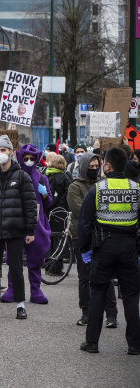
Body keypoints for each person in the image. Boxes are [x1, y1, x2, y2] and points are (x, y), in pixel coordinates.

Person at [78, 147, 140, 355]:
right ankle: (134, 344)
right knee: (131, 296)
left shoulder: (98, 189)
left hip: (103, 247)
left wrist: (84, 249)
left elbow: (85, 223)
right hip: (129, 247)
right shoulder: (136, 189)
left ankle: (92, 342)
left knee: (98, 293)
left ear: (108, 166)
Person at [0, 135, 37, 319]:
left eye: (4, 150)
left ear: (11, 152)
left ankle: (20, 305)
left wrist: (30, 230)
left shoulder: (22, 177)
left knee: (16, 268)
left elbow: (30, 205)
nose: (1, 153)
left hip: (15, 230)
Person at [66, 153, 118, 327]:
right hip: (82, 237)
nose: (94, 169)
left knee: (106, 276)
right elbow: (80, 210)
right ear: (84, 167)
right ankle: (86, 312)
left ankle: (111, 315)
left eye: (97, 166)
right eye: (91, 166)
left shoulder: (103, 184)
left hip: (103, 236)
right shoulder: (75, 187)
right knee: (85, 277)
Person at [0, 144, 52, 305]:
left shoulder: (42, 178)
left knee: (35, 258)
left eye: (32, 159)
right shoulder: (14, 175)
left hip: (37, 224)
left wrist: (45, 195)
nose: (29, 161)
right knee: (13, 257)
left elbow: (50, 202)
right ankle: (12, 288)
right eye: (26, 158)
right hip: (17, 222)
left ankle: (35, 290)